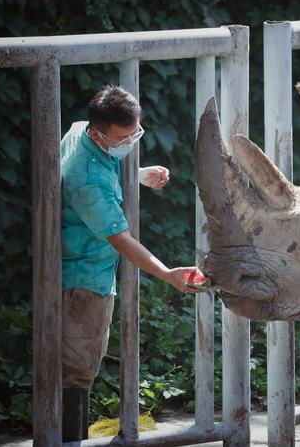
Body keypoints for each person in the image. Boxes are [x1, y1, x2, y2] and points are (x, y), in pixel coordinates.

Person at [60, 85, 206, 441]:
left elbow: (106, 163)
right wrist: (166, 273)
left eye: (135, 134)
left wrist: (136, 173)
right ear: (99, 133)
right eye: (123, 138)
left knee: (75, 367)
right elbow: (120, 239)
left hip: (85, 268)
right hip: (83, 279)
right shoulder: (87, 181)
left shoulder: (81, 131)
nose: (130, 143)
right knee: (76, 373)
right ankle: (67, 439)